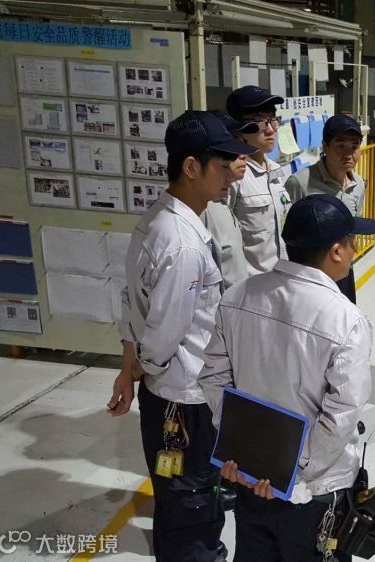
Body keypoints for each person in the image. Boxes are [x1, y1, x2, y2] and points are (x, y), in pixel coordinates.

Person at [108, 110, 257, 561]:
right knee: (192, 501)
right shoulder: (184, 244)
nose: (232, 173)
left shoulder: (160, 219)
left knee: (177, 499)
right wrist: (143, 368)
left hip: (168, 393)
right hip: (184, 400)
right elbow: (164, 333)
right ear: (191, 167)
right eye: (223, 164)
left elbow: (131, 302)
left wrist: (130, 367)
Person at [199, 194, 375, 562]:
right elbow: (341, 416)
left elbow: (214, 378)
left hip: (250, 479)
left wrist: (246, 454)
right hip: (313, 492)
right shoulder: (347, 322)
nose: (353, 249)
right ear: (336, 251)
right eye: (350, 241)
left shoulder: (238, 296)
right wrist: (290, 473)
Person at [285, 114, 366, 302]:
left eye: (354, 146)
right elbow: (288, 234)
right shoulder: (300, 183)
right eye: (341, 145)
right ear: (325, 146)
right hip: (310, 277)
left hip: (344, 272)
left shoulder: (358, 184)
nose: (348, 153)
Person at [226, 85, 292, 274]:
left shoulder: (276, 171)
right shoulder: (233, 176)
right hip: (251, 286)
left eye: (272, 120)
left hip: (281, 280)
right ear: (239, 128)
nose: (270, 130)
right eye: (260, 122)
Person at [202, 111, 259, 289]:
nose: (242, 154)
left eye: (242, 142)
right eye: (232, 144)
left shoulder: (220, 200)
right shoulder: (202, 207)